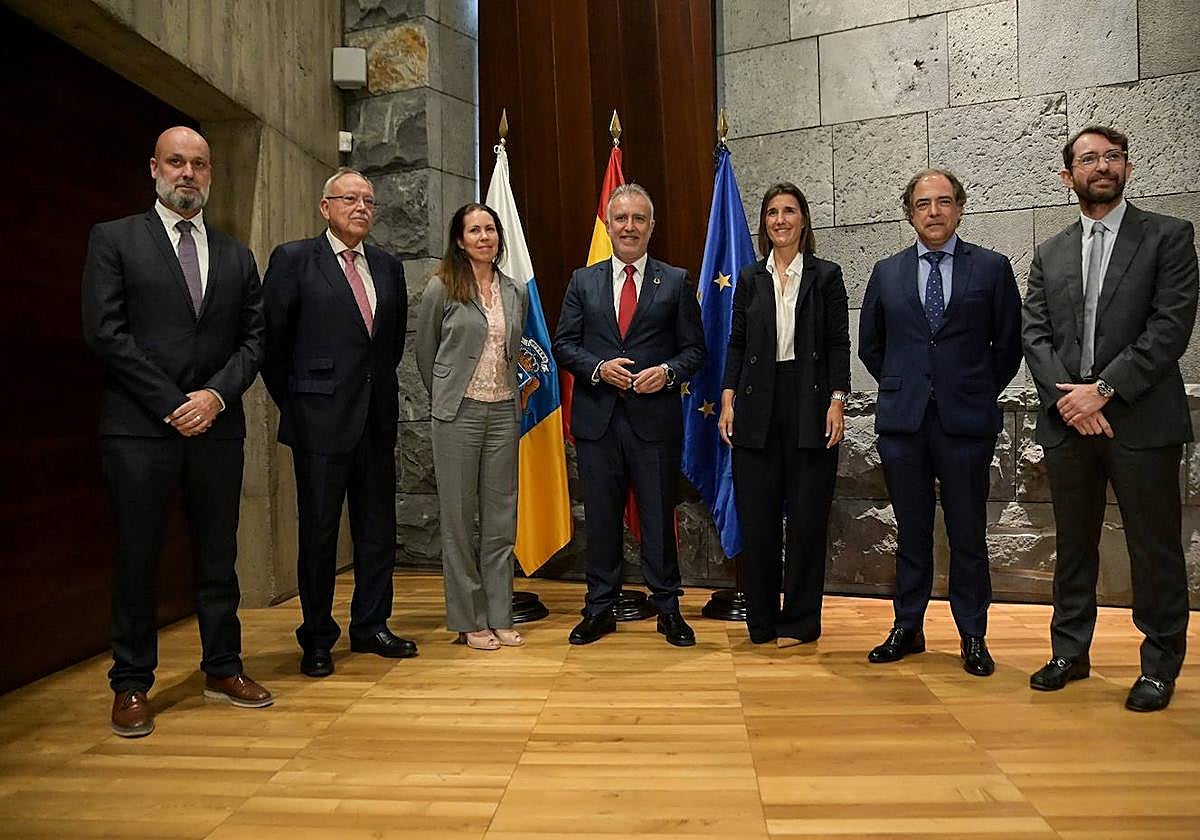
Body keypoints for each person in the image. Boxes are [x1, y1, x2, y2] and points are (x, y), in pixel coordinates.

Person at [82, 126, 273, 738]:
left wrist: (215, 396)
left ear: (211, 174)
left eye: (199, 164)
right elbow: (105, 333)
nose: (188, 173)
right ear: (154, 169)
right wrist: (173, 403)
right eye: (176, 162)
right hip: (140, 430)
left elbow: (255, 340)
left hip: (216, 428)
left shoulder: (237, 255)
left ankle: (222, 665)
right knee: (139, 556)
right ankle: (132, 683)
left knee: (219, 555)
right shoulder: (114, 239)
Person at [1022, 126, 1198, 712]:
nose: (1102, 166)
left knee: (1154, 547)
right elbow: (1035, 335)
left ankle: (1158, 664)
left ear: (1125, 168)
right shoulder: (1048, 253)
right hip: (1069, 424)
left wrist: (1102, 391)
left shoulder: (1169, 237)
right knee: (1073, 544)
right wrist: (1070, 401)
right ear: (1067, 173)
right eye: (1089, 158)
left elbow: (1169, 328)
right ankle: (1070, 651)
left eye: (1112, 157)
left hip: (1141, 421)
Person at [858, 168, 1022, 676]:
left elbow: (1008, 346)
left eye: (944, 202)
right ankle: (907, 627)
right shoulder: (886, 272)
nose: (934, 211)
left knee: (968, 532)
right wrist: (910, 386)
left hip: (965, 424)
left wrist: (969, 391)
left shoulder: (992, 268)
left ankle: (973, 635)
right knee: (910, 531)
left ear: (960, 208)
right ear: (910, 213)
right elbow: (872, 346)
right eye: (924, 204)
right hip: (905, 425)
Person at [262, 167, 415, 678]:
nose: (361, 208)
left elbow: (388, 349)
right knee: (321, 535)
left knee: (377, 531)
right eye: (349, 199)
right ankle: (317, 637)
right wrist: (301, 403)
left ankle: (372, 625)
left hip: (375, 420)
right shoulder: (293, 260)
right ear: (324, 207)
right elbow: (273, 345)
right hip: (318, 422)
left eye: (369, 201)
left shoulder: (389, 267)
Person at [553, 183, 707, 647]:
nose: (629, 227)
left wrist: (667, 371)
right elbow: (563, 344)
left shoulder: (676, 281)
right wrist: (598, 368)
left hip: (654, 422)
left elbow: (695, 350)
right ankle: (598, 610)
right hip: (598, 421)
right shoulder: (583, 280)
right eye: (621, 219)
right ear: (609, 223)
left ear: (651, 226)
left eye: (639, 219)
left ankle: (668, 610)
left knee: (659, 518)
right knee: (601, 519)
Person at [718, 183, 849, 647]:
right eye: (772, 212)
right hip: (756, 405)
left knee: (809, 519)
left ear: (803, 219)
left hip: (810, 403)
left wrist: (838, 399)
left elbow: (838, 343)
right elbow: (735, 342)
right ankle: (762, 623)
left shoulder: (827, 276)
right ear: (763, 224)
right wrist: (728, 397)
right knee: (758, 519)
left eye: (789, 211)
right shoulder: (750, 278)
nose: (780, 220)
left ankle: (799, 622)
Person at [415, 204, 529, 650]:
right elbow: (426, 354)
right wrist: (448, 394)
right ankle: (468, 619)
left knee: (501, 519)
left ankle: (500, 613)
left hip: (503, 411)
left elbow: (514, 347)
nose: (484, 236)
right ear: (459, 240)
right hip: (458, 414)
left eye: (490, 229)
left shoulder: (513, 290)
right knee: (459, 521)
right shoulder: (442, 288)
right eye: (474, 230)